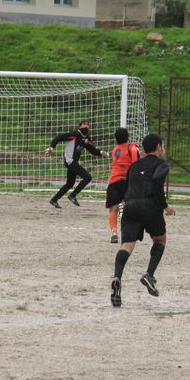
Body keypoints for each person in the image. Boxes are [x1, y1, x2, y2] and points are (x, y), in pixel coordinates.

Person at [110, 133, 175, 308]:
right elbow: (156, 182)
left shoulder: (134, 166)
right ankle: (149, 275)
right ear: (159, 146)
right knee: (160, 239)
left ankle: (117, 277)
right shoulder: (162, 164)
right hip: (149, 205)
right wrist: (165, 206)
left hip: (130, 206)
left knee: (127, 245)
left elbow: (126, 187)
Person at [45, 121, 104, 208]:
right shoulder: (75, 135)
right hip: (69, 161)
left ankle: (54, 200)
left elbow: (93, 150)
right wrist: (51, 147)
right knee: (87, 177)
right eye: (84, 124)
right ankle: (73, 195)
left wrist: (101, 153)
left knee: (70, 183)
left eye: (87, 124)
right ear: (80, 126)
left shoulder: (86, 139)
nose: (86, 126)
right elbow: (59, 137)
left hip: (73, 162)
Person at [104, 127, 142, 244]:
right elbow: (136, 165)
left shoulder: (115, 150)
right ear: (128, 137)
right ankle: (130, 231)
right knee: (131, 206)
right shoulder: (132, 148)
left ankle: (114, 233)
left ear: (116, 139)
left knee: (113, 208)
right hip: (127, 180)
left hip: (114, 180)